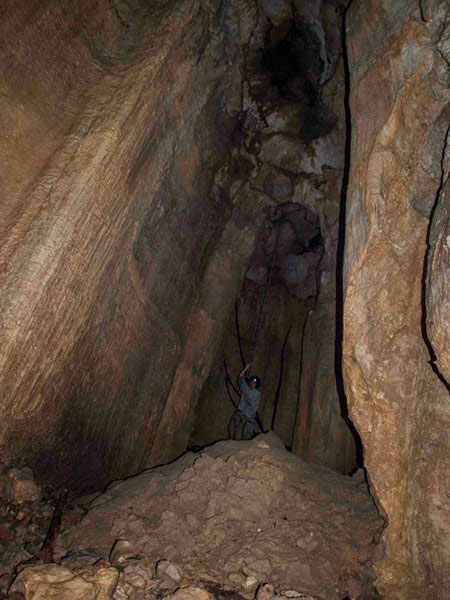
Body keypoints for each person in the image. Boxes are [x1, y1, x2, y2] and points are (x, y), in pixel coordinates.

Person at [228, 363, 261, 440]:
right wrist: (246, 368)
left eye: (254, 383)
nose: (253, 383)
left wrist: (246, 395)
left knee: (248, 432)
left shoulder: (257, 394)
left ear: (256, 385)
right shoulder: (245, 386)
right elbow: (240, 378)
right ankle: (231, 440)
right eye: (252, 381)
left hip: (249, 415)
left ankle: (245, 446)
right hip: (241, 412)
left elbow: (251, 404)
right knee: (233, 423)